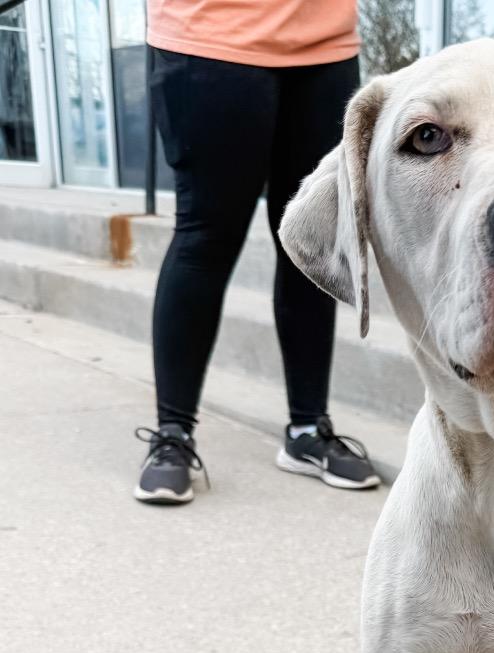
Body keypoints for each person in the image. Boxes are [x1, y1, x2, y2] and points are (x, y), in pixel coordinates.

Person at [135, 0, 379, 504]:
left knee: (308, 241)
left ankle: (307, 429)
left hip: (324, 42)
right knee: (205, 238)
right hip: (209, 36)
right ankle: (173, 435)